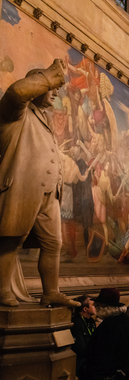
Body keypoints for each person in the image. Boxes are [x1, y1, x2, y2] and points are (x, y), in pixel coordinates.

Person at [0, 59, 80, 308]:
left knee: (53, 243)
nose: (55, 92)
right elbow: (16, 92)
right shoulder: (17, 111)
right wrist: (48, 75)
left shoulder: (43, 119)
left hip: (47, 193)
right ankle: (2, 290)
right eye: (51, 87)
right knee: (11, 240)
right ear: (36, 86)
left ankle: (50, 291)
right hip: (22, 189)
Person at [71, 294, 97, 380]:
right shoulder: (77, 323)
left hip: (92, 356)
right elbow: (81, 349)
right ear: (85, 309)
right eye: (93, 305)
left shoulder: (91, 321)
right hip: (83, 361)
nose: (96, 307)